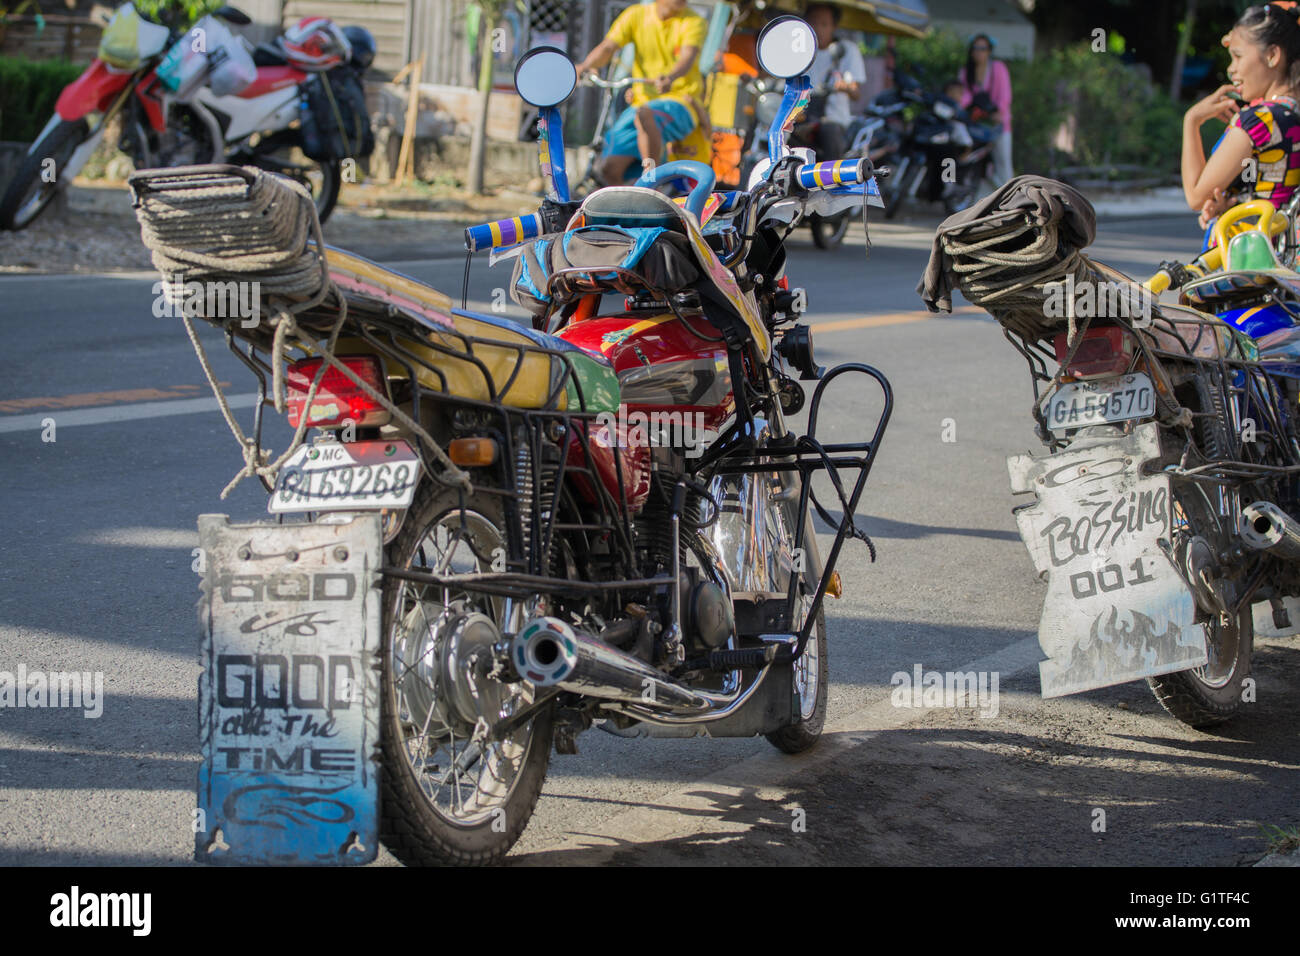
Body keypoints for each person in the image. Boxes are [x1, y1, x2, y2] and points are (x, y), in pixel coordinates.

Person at [1184, 2, 1300, 230]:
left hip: (1253, 256)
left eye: (1237, 56)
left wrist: (1192, 120)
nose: (1231, 69)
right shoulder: (1292, 116)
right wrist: (1232, 203)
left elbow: (1196, 196)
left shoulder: (1259, 120)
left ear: (1272, 55)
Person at [575, 0, 710, 185]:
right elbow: (608, 47)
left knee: (645, 114)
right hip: (640, 103)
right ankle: (629, 210)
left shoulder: (694, 21)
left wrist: (670, 78)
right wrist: (584, 66)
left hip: (681, 102)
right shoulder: (635, 15)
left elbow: (688, 57)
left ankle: (651, 180)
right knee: (609, 169)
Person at [802, 2, 865, 160]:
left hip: (832, 120)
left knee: (829, 132)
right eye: (813, 22)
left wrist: (844, 87)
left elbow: (856, 92)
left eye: (823, 24)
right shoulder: (799, 50)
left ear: (834, 26)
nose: (817, 28)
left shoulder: (847, 50)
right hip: (802, 117)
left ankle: (833, 182)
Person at [955, 33, 1013, 185]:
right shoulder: (966, 71)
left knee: (1004, 165)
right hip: (976, 123)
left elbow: (1004, 96)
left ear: (989, 51)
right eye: (976, 48)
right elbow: (964, 96)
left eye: (983, 48)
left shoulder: (998, 68)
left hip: (998, 124)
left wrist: (998, 112)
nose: (979, 52)